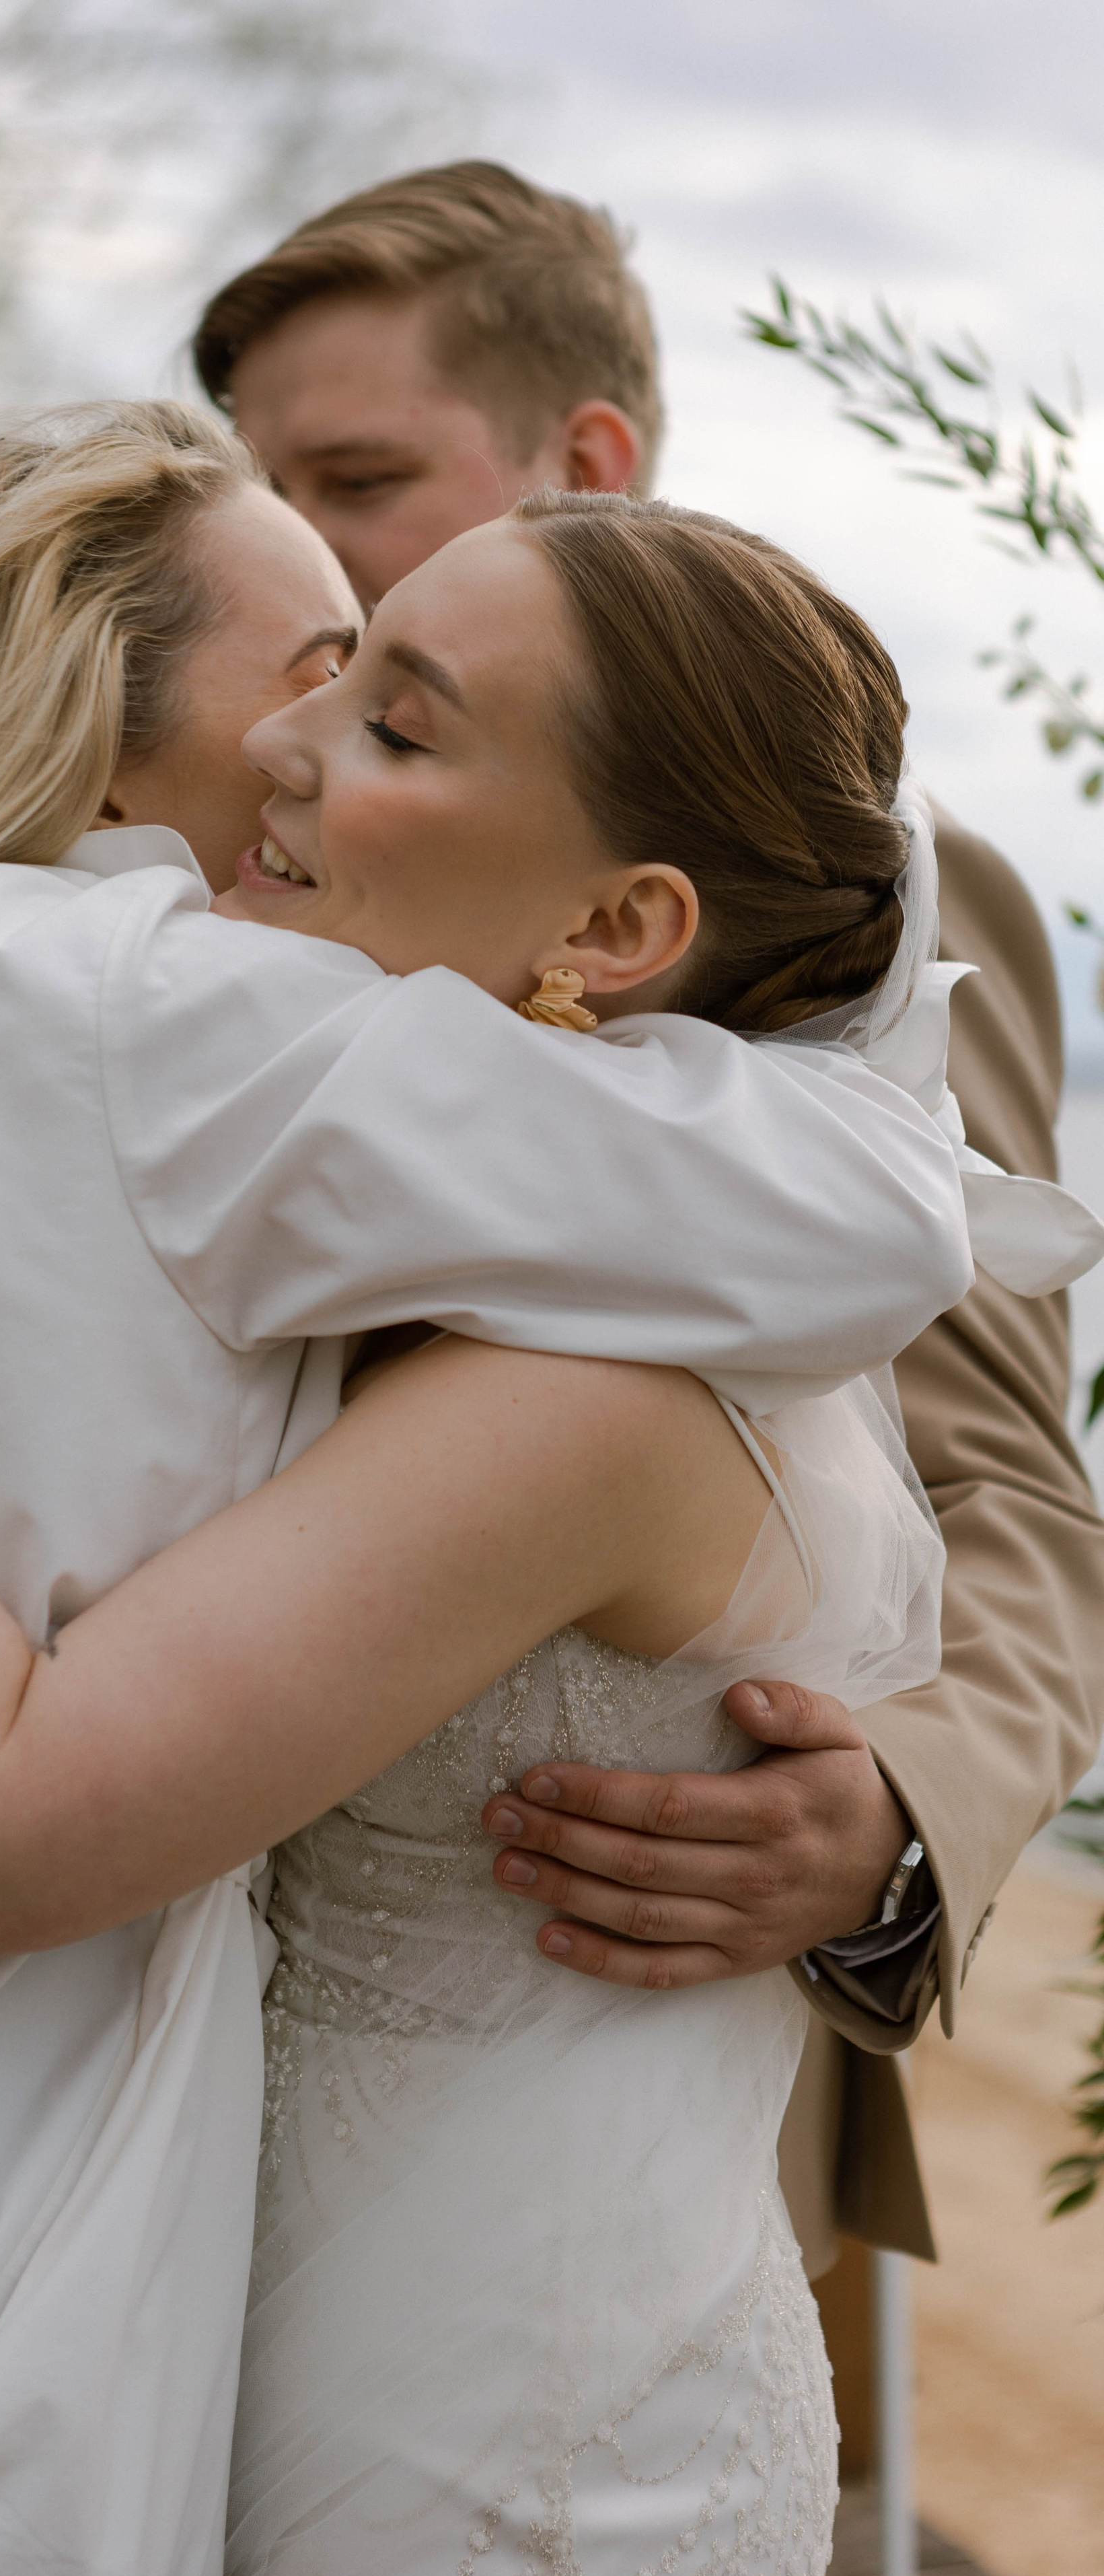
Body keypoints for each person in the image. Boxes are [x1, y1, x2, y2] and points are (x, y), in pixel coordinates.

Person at [0, 419, 992, 2576]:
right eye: (311, 669)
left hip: (447, 2365)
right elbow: (875, 1212)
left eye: (384, 695)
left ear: (625, 917)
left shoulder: (120, 1044)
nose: (312, 750)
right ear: (111, 754)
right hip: (45, 2176)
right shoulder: (179, 1011)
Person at [194, 156, 1104, 2268]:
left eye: (353, 476)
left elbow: (1008, 1488)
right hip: (167, 2015)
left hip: (579, 2037)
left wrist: (897, 1808)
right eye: (256, 493)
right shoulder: (258, 839)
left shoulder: (873, 899)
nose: (291, 558)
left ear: (583, 461)